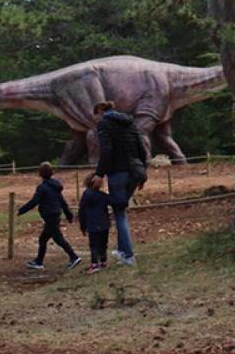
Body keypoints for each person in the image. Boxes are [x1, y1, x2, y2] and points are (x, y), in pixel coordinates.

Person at [91, 100, 148, 266]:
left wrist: (100, 174)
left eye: (94, 116)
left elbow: (106, 150)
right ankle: (122, 250)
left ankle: (129, 256)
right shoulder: (130, 123)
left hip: (117, 173)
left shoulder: (104, 124)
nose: (95, 120)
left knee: (120, 213)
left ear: (100, 111)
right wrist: (143, 173)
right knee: (121, 209)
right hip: (134, 172)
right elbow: (141, 148)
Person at [17, 162, 82, 271]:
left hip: (50, 217)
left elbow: (34, 201)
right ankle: (39, 261)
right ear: (52, 172)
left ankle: (74, 257)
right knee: (43, 239)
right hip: (55, 215)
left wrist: (21, 211)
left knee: (58, 239)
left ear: (40, 174)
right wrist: (69, 215)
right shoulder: (56, 187)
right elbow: (63, 202)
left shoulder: (42, 188)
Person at [78, 171, 110, 274]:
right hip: (104, 224)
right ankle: (103, 261)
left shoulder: (86, 195)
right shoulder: (103, 196)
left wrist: (82, 226)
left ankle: (94, 264)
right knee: (103, 244)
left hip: (92, 225)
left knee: (94, 245)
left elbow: (81, 211)